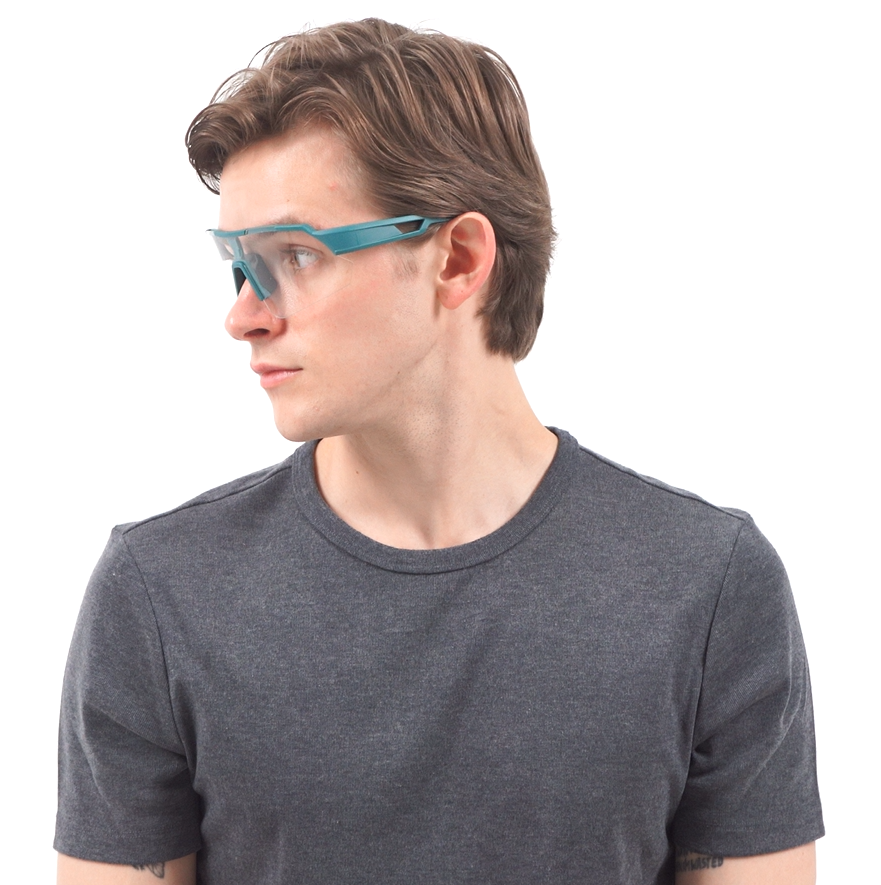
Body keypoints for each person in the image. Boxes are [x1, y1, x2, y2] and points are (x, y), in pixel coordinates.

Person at [55, 18, 823, 885]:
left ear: (457, 259)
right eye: (239, 262)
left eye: (294, 255)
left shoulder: (708, 585)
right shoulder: (159, 592)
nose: (243, 315)